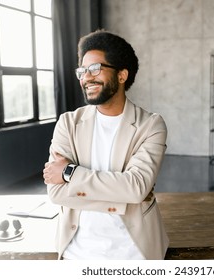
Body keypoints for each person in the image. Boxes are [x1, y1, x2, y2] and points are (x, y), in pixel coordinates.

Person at [42, 30, 169, 260]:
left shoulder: (151, 126)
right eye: (82, 71)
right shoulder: (68, 123)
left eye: (95, 69)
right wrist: (122, 194)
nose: (86, 78)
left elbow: (136, 187)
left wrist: (69, 172)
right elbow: (57, 193)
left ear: (121, 75)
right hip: (76, 253)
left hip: (134, 254)